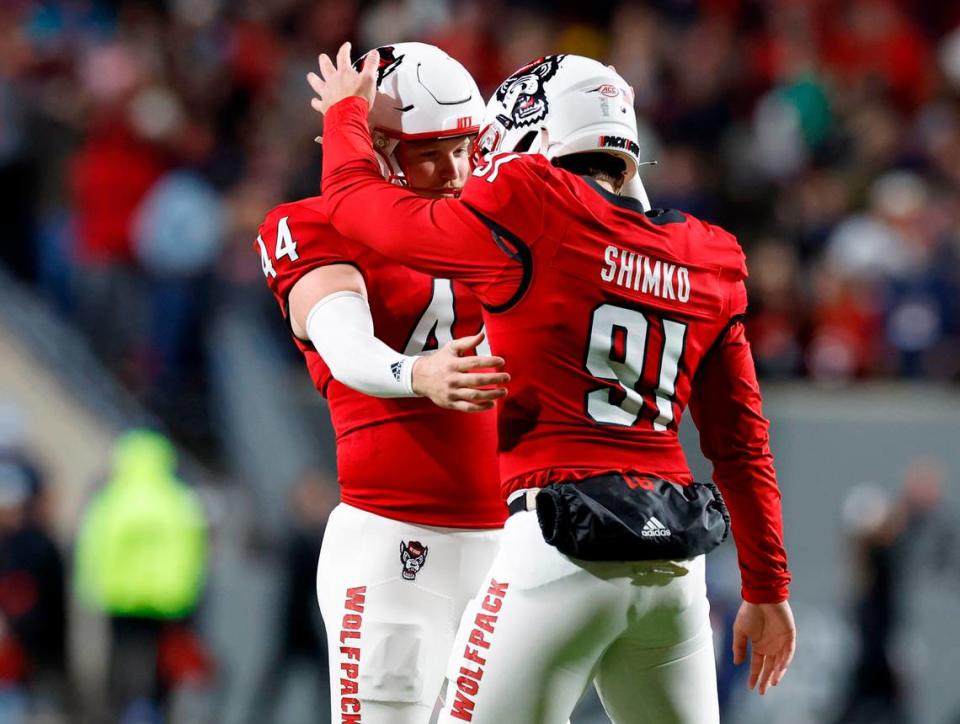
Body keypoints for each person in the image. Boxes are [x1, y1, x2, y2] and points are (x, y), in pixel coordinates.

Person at [309, 45, 796, 723]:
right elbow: (741, 444)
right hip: (676, 564)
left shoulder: (530, 201)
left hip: (560, 542)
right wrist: (768, 586)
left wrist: (345, 116)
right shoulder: (711, 254)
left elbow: (362, 208)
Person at [254, 42, 509, 724]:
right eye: (428, 151)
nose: (454, 171)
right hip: (394, 539)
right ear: (375, 149)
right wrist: (418, 372)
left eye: (463, 147)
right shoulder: (311, 225)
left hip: (512, 542)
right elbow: (345, 346)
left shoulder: (501, 226)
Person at [74, 429, 210, 723]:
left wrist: (88, 588)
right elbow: (192, 553)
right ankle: (154, 711)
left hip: (119, 596)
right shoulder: (178, 500)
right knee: (161, 665)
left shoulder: (111, 500)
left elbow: (93, 546)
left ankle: (120, 710)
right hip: (169, 599)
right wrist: (189, 595)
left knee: (122, 658)